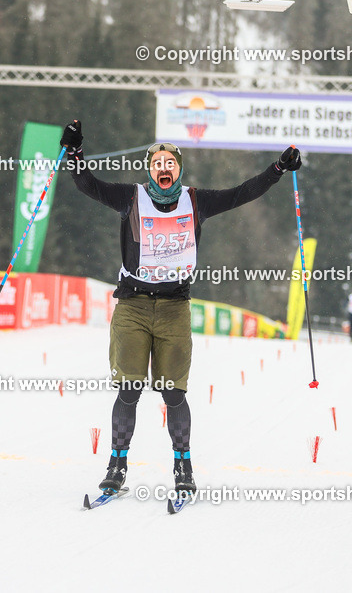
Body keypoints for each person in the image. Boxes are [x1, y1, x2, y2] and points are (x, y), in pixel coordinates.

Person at [61, 120, 302, 497]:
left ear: (178, 168)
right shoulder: (131, 198)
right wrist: (74, 153)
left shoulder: (196, 201)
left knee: (174, 392)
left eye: (169, 163)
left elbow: (242, 193)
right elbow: (87, 184)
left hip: (174, 307)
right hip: (133, 306)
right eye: (157, 163)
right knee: (128, 389)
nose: (163, 168)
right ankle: (117, 465)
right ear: (149, 169)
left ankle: (183, 467)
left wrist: (277, 169)